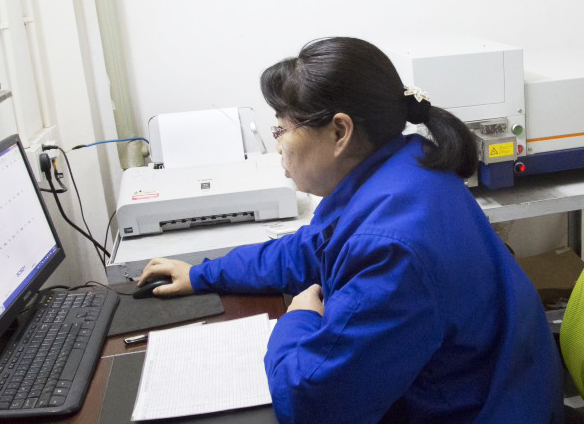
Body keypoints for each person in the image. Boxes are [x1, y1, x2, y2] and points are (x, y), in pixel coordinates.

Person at [138, 37, 564, 423]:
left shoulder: (391, 248)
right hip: (496, 387)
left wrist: (298, 318)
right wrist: (202, 273)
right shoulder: (406, 168)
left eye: (281, 130)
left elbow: (312, 406)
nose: (277, 145)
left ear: (340, 132)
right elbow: (310, 248)